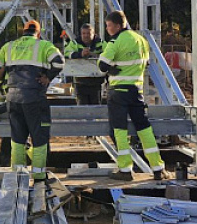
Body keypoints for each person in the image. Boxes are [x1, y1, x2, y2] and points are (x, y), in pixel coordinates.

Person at [0, 20, 64, 181]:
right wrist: (47, 77)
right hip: (34, 99)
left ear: (23, 32)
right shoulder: (44, 46)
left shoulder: (10, 46)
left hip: (13, 99)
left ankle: (19, 176)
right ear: (38, 33)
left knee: (18, 139)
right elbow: (59, 62)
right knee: (39, 139)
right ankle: (39, 175)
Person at [97, 11, 168, 181]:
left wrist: (112, 67)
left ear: (118, 25)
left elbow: (102, 65)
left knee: (119, 131)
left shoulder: (115, 41)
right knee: (144, 129)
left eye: (109, 25)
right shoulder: (141, 40)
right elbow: (146, 63)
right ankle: (158, 169)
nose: (107, 29)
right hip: (136, 91)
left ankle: (125, 170)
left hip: (118, 93)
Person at [64, 23, 106, 105]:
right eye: (84, 33)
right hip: (80, 80)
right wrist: (80, 54)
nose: (86, 36)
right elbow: (66, 53)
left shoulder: (101, 43)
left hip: (96, 81)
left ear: (94, 34)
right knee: (82, 106)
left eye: (88, 33)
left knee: (96, 105)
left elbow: (108, 54)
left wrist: (93, 55)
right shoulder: (75, 43)